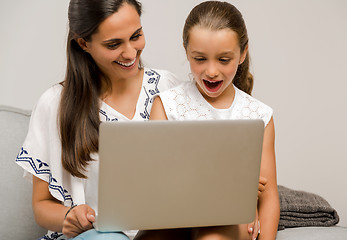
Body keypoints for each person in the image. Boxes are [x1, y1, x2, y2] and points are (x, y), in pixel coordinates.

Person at [15, 0, 181, 239]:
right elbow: (41, 205)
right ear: (84, 43)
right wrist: (69, 216)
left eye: (136, 36)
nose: (130, 53)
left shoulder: (169, 87)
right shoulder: (55, 104)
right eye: (113, 44)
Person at [136, 1, 280, 240]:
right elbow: (157, 182)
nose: (211, 71)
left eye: (224, 60)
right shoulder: (167, 104)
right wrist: (226, 182)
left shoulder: (258, 116)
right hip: (176, 215)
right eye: (200, 59)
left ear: (243, 53)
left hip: (230, 219)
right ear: (186, 51)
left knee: (212, 237)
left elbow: (269, 196)